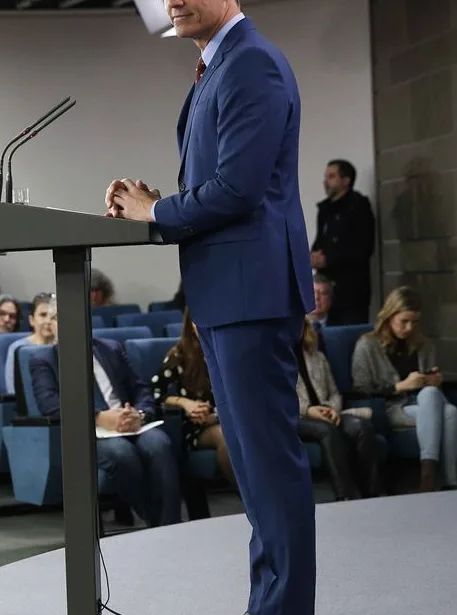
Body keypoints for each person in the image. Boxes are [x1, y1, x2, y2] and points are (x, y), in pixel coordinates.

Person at [105, 2, 316, 613]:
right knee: (254, 477)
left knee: (269, 473)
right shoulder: (216, 65)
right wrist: (152, 206)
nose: (170, 1)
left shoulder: (251, 62)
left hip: (251, 294)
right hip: (227, 295)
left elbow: (239, 189)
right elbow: (223, 187)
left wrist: (158, 212)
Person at [31, 339, 181, 527]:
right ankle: (158, 522)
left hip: (131, 423)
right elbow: (49, 404)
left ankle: (170, 524)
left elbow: (140, 389)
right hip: (91, 430)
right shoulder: (44, 359)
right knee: (122, 453)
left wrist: (139, 415)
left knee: (160, 445)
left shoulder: (111, 348)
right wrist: (98, 417)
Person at [352, 287, 455, 491]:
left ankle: (447, 482)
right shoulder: (367, 345)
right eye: (404, 321)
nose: (409, 328)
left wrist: (434, 380)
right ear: (390, 316)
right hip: (391, 407)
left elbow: (430, 386)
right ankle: (435, 477)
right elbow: (361, 389)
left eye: (414, 322)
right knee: (451, 413)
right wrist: (399, 387)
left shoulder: (424, 346)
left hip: (422, 403)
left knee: (435, 397)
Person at [149, 308, 236, 490]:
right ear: (190, 324)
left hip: (231, 419)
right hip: (196, 428)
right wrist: (184, 403)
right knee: (226, 435)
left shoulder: (231, 353)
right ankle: (251, 502)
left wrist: (218, 415)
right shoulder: (179, 355)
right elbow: (153, 395)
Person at [296, 319, 379, 500]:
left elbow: (335, 393)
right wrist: (309, 410)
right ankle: (346, 495)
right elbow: (277, 401)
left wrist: (331, 408)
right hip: (296, 417)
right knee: (326, 430)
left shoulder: (318, 357)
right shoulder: (274, 361)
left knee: (363, 427)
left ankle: (371, 493)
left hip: (327, 412)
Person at [311, 160, 375, 326]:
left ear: (346, 180)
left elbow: (363, 248)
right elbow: (320, 241)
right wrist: (313, 255)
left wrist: (327, 258)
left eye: (331, 176)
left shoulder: (358, 206)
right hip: (327, 291)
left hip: (351, 292)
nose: (326, 181)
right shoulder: (325, 209)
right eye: (325, 176)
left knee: (347, 339)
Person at [3, 293, 57, 394]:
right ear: (31, 320)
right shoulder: (18, 348)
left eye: (54, 316)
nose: (49, 321)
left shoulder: (64, 347)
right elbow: (13, 390)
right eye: (43, 315)